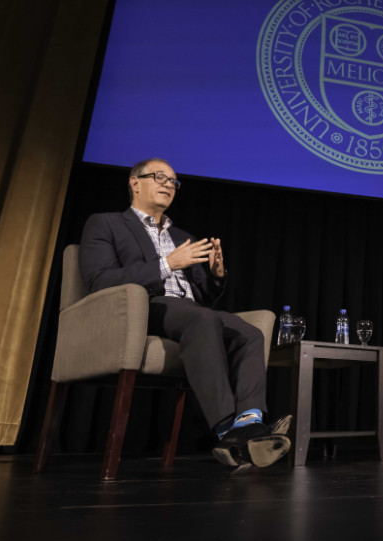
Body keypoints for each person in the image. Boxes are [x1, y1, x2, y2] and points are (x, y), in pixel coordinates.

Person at [79, 158, 291, 470]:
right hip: (142, 307)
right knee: (201, 319)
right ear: (134, 183)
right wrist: (166, 264)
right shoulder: (105, 223)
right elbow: (98, 281)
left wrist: (216, 276)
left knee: (250, 334)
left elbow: (202, 298)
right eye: (158, 177)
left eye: (173, 181)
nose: (168, 184)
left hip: (189, 311)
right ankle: (227, 429)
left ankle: (249, 422)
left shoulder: (181, 236)